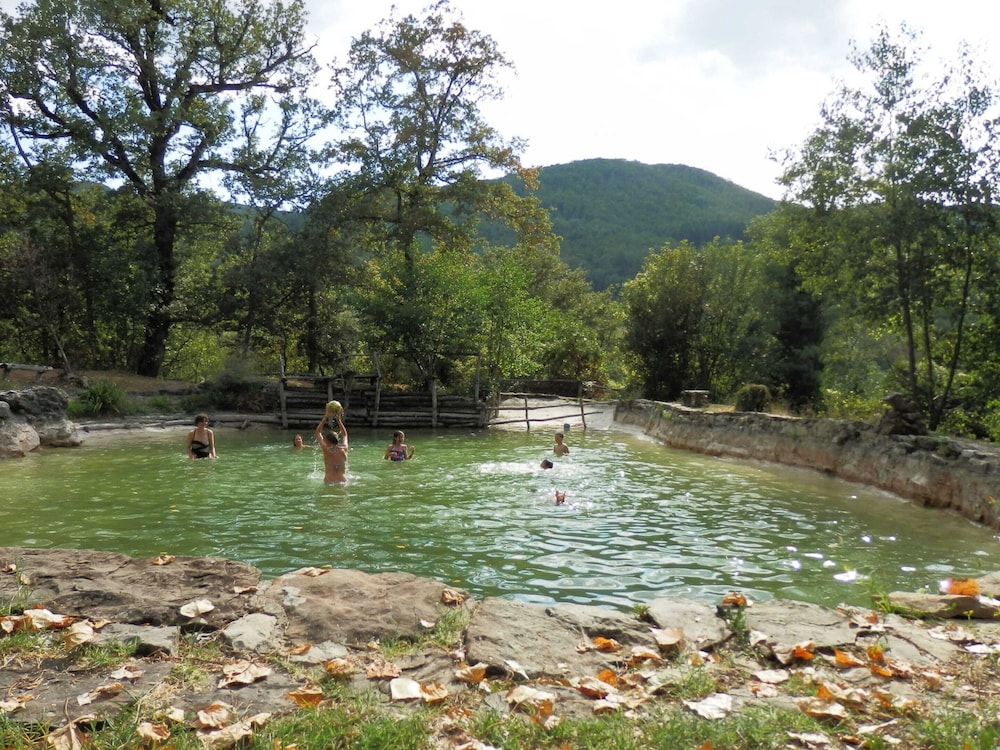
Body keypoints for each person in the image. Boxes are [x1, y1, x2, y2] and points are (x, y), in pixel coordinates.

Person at [315, 405, 349, 483]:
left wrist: (325, 416)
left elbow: (318, 433)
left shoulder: (326, 450)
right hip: (342, 481)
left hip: (329, 481)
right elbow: (345, 435)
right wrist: (338, 420)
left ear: (327, 441)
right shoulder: (344, 448)